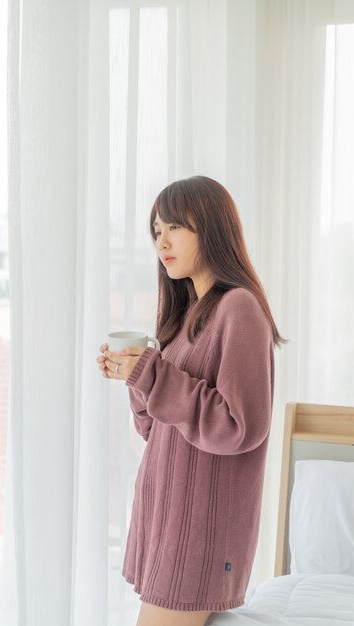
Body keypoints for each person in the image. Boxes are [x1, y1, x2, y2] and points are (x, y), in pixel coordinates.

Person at [97, 175, 285, 626]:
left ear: (212, 228)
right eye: (156, 231)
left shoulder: (239, 309)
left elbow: (240, 425)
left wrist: (154, 374)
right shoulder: (187, 320)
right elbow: (155, 428)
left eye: (174, 227)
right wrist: (137, 377)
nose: (162, 241)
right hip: (169, 518)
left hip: (198, 531)